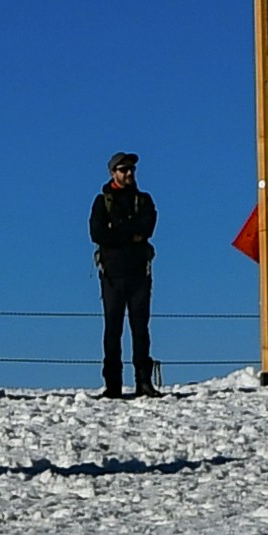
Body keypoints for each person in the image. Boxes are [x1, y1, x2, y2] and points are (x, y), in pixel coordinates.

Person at [90, 150, 158, 396]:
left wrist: (117, 230)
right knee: (112, 330)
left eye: (131, 169)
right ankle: (113, 385)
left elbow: (147, 228)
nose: (129, 173)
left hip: (139, 273)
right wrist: (130, 234)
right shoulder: (102, 202)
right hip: (112, 276)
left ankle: (143, 382)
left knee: (141, 329)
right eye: (123, 169)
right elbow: (97, 233)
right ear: (112, 173)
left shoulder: (144, 200)